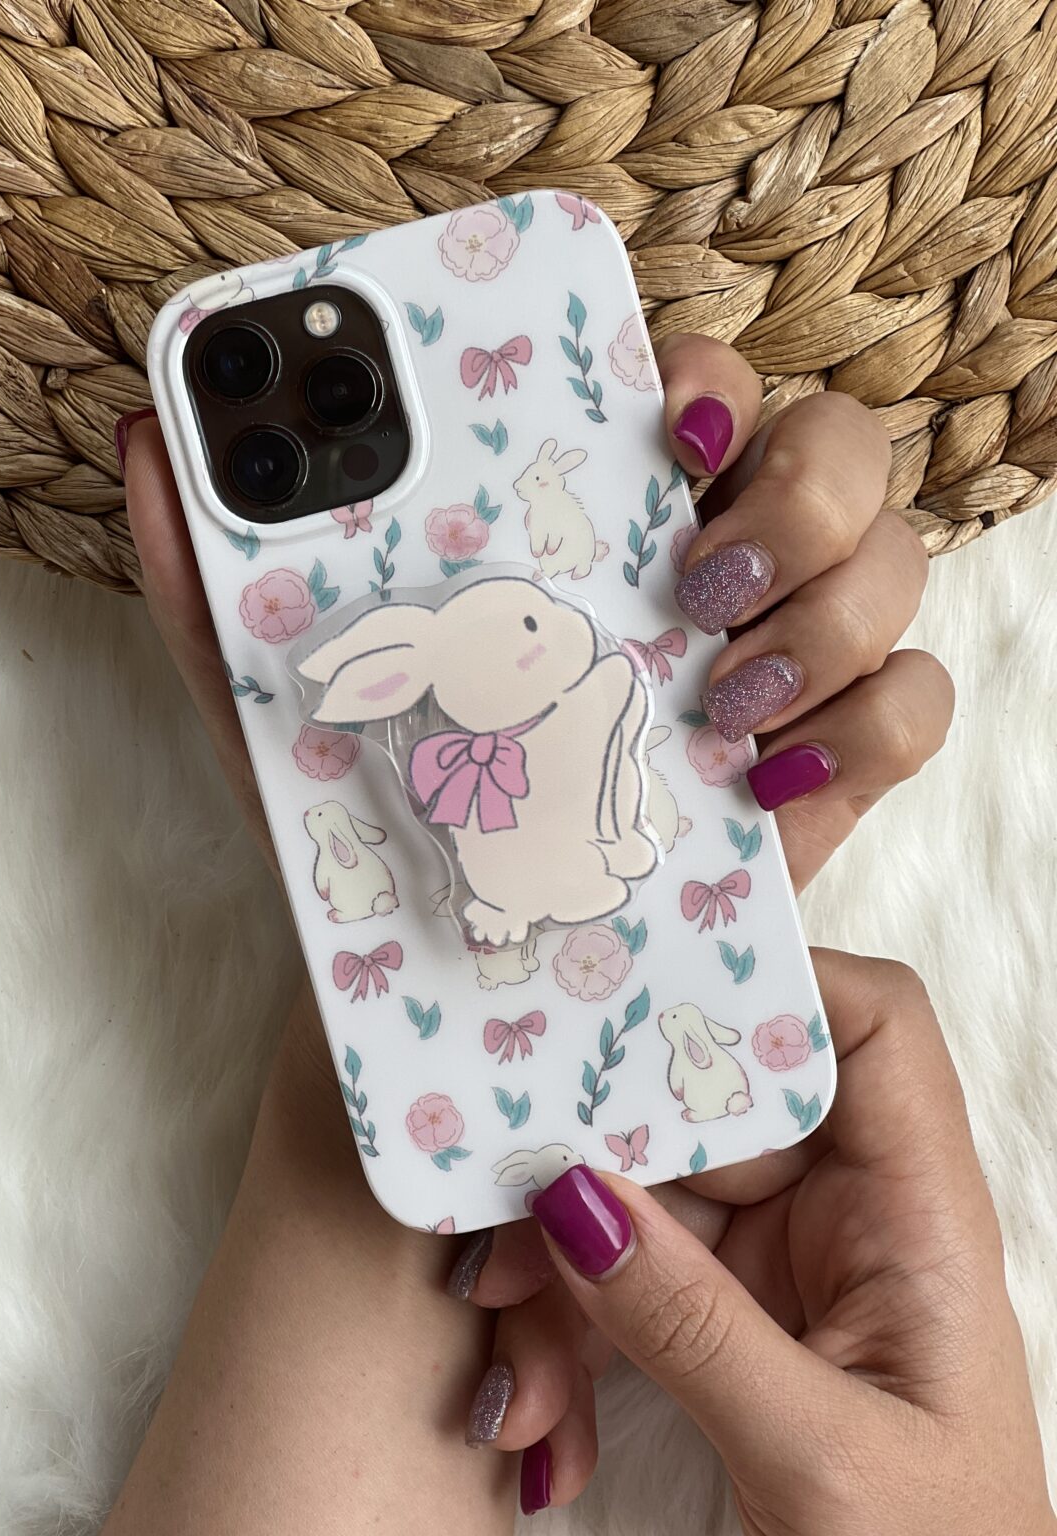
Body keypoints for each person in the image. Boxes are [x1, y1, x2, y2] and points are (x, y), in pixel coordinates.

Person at [101, 335, 1053, 1534]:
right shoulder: (437, 736)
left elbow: (604, 708)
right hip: (499, 916)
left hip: (578, 887)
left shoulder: (581, 693)